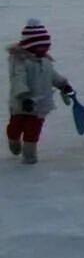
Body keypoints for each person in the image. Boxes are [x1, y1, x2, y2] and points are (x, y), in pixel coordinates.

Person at [7, 20, 74, 165]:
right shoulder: (20, 61)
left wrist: (64, 85)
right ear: (31, 45)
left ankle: (29, 155)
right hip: (22, 104)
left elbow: (53, 76)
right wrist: (24, 97)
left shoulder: (45, 61)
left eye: (46, 45)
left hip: (40, 104)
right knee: (15, 127)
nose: (45, 49)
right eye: (41, 46)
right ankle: (13, 139)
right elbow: (18, 79)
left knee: (33, 131)